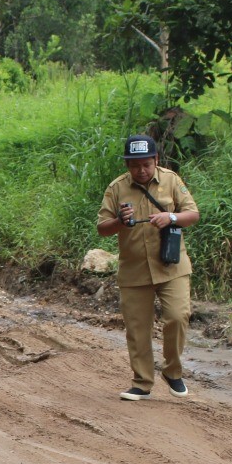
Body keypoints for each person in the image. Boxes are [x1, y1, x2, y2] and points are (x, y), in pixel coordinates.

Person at [96, 135, 201, 401]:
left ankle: (173, 371)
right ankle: (142, 382)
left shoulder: (172, 180)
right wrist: (120, 221)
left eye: (146, 164)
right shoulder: (116, 188)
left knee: (178, 316)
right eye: (134, 165)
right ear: (127, 165)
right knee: (137, 328)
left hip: (171, 265)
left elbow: (193, 214)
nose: (141, 170)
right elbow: (102, 228)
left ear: (156, 160)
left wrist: (171, 216)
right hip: (134, 269)